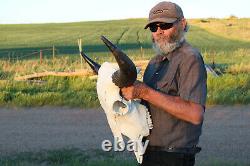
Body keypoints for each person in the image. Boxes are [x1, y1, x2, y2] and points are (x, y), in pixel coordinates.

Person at [121, 1, 207, 166]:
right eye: (154, 27)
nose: (159, 31)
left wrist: (144, 92)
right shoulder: (154, 61)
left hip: (173, 157)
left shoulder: (190, 58)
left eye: (165, 25)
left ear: (183, 23)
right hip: (149, 152)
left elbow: (195, 114)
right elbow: (148, 103)